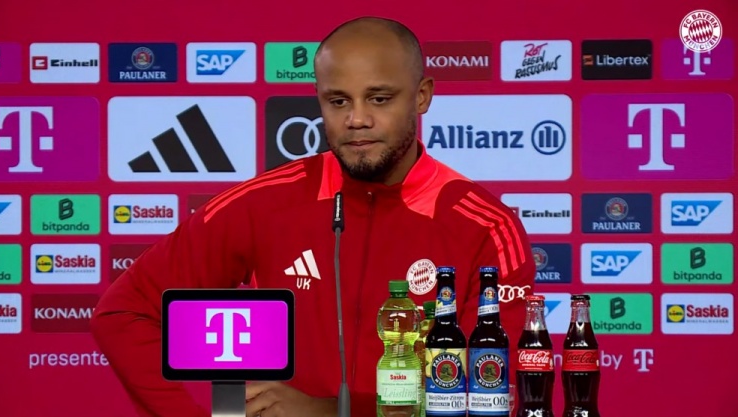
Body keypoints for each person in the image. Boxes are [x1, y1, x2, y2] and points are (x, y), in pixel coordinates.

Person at [90, 16, 536, 417]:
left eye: (379, 98)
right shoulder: (266, 203)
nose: (357, 119)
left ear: (422, 96)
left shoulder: (485, 227)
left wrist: (328, 412)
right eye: (338, 102)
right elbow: (124, 312)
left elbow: (493, 396)